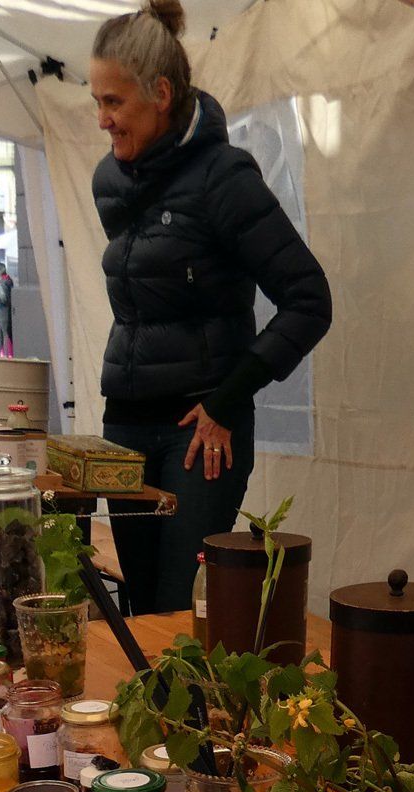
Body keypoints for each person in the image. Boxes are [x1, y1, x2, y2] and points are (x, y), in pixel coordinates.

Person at [90, 0, 331, 615]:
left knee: (179, 612)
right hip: (125, 427)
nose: (102, 120)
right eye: (97, 101)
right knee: (140, 610)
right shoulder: (110, 182)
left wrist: (228, 400)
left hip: (200, 434)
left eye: (113, 102)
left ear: (161, 93)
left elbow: (308, 299)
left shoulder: (223, 178)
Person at [0, 262, 13, 358]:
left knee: (4, 335)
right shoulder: (9, 281)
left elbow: (3, 299)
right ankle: (8, 354)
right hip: (8, 312)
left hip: (3, 312)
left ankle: (5, 355)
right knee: (8, 334)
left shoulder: (1, 284)